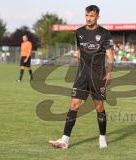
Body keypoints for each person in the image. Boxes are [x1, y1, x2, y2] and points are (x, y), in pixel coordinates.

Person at [49, 5, 114, 149]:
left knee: (99, 106)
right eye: (86, 15)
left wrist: (109, 72)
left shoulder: (105, 34)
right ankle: (65, 140)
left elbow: (110, 57)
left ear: (97, 16)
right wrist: (79, 56)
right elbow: (81, 51)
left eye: (91, 15)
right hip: (82, 75)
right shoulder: (79, 32)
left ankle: (102, 138)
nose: (88, 18)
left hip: (98, 76)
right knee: (73, 105)